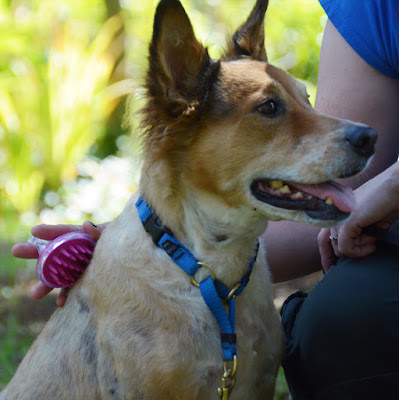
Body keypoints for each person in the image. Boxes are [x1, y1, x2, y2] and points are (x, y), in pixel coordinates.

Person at [11, 0, 399, 398]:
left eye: (303, 102)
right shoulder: (372, 9)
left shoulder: (252, 279)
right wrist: (113, 241)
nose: (355, 133)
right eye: (270, 109)